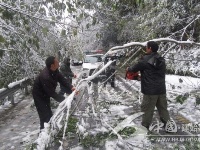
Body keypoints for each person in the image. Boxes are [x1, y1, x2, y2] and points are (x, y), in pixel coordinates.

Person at [127, 41, 170, 130]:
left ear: (150, 48)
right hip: (161, 89)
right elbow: (154, 73)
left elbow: (133, 69)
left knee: (147, 109)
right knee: (163, 108)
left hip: (150, 91)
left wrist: (128, 68)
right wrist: (142, 77)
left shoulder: (145, 60)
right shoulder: (161, 59)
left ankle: (144, 127)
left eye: (146, 47)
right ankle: (169, 126)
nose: (145, 49)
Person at [32, 56, 75, 130]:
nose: (59, 63)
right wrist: (65, 100)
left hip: (46, 93)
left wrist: (71, 87)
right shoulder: (45, 77)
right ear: (52, 65)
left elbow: (62, 79)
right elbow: (52, 94)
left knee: (49, 113)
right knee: (45, 116)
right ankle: (43, 135)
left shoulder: (55, 70)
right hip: (39, 96)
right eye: (57, 62)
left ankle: (48, 131)